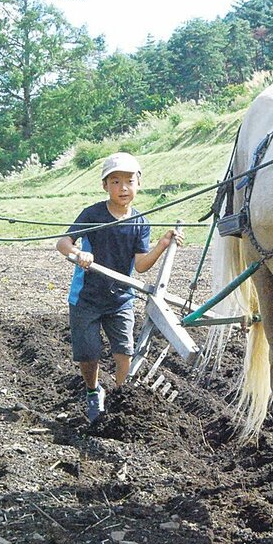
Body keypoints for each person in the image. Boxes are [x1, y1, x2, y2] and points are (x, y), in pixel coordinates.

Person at [56, 152, 183, 422]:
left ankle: (120, 398)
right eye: (115, 182)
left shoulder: (141, 222)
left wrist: (162, 244)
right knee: (89, 354)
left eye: (129, 181)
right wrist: (79, 255)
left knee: (124, 351)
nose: (122, 188)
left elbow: (141, 266)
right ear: (105, 185)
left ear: (138, 184)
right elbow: (63, 243)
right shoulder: (93, 214)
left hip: (120, 299)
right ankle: (93, 391)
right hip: (86, 297)